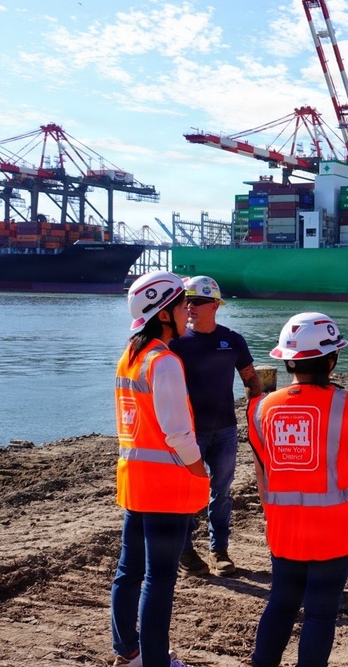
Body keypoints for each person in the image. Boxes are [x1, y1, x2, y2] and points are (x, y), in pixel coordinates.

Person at [248, 312, 348, 667]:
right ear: (332, 359)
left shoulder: (261, 408)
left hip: (285, 527)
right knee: (320, 613)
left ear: (288, 360)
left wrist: (273, 517)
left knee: (282, 600)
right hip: (337, 528)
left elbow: (264, 475)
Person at [111, 271, 209, 667]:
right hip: (166, 489)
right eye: (182, 304)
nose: (189, 310)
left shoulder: (131, 356)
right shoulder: (163, 361)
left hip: (136, 484)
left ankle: (127, 652)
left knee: (129, 571)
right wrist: (201, 470)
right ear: (164, 313)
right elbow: (178, 435)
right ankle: (155, 661)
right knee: (159, 578)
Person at [169, 275, 263, 577]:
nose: (189, 306)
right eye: (186, 301)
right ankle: (185, 551)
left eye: (196, 301)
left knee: (221, 492)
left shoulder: (232, 340)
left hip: (225, 430)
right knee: (186, 492)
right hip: (189, 431)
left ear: (214, 305)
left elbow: (251, 379)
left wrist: (256, 416)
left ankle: (219, 550)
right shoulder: (176, 342)